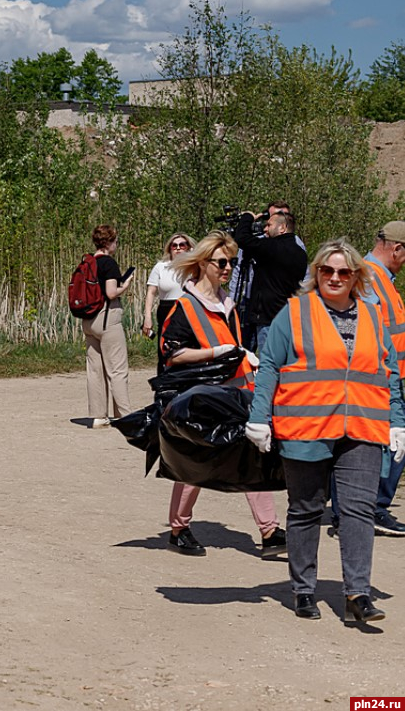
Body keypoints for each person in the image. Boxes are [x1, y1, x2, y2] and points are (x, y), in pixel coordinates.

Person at [247, 239, 405, 622]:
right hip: (307, 427)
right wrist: (259, 415)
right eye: (327, 270)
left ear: (356, 276)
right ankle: (303, 589)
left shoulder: (371, 316)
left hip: (363, 427)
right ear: (316, 273)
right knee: (305, 509)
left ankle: (358, 594)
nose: (334, 277)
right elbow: (269, 365)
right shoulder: (295, 312)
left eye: (344, 272)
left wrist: (397, 422)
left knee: (358, 511)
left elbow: (390, 374)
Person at [157, 230, 285, 557]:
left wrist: (243, 355)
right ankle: (178, 527)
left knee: (253, 453)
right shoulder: (185, 306)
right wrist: (216, 352)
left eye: (231, 262)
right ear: (203, 264)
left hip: (237, 392)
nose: (227, 268)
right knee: (196, 463)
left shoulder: (227, 303)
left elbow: (234, 347)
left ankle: (269, 531)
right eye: (221, 262)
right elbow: (171, 353)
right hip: (202, 400)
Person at [330, 222, 405, 538]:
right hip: (379, 375)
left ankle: (356, 508)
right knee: (380, 441)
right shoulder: (371, 278)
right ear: (397, 248)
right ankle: (369, 507)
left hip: (384, 373)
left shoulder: (376, 276)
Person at [232, 203, 307, 353]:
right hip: (286, 316)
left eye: (269, 225)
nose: (265, 229)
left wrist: (248, 217)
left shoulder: (272, 248)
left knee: (268, 362)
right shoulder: (300, 253)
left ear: (282, 228)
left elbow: (241, 238)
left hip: (266, 318)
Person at [82, 224, 134, 428]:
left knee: (94, 370)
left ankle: (98, 416)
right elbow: (111, 292)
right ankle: (125, 415)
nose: (116, 245)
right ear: (109, 242)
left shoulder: (88, 262)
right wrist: (125, 286)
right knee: (118, 369)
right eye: (116, 241)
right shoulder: (108, 263)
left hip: (88, 320)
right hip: (107, 318)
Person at [142, 233, 193, 370]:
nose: (178, 248)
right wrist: (147, 317)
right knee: (165, 350)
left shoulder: (194, 266)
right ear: (169, 248)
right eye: (174, 245)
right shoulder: (161, 267)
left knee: (187, 349)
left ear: (188, 247)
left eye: (182, 245)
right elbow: (151, 292)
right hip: (166, 309)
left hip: (188, 310)